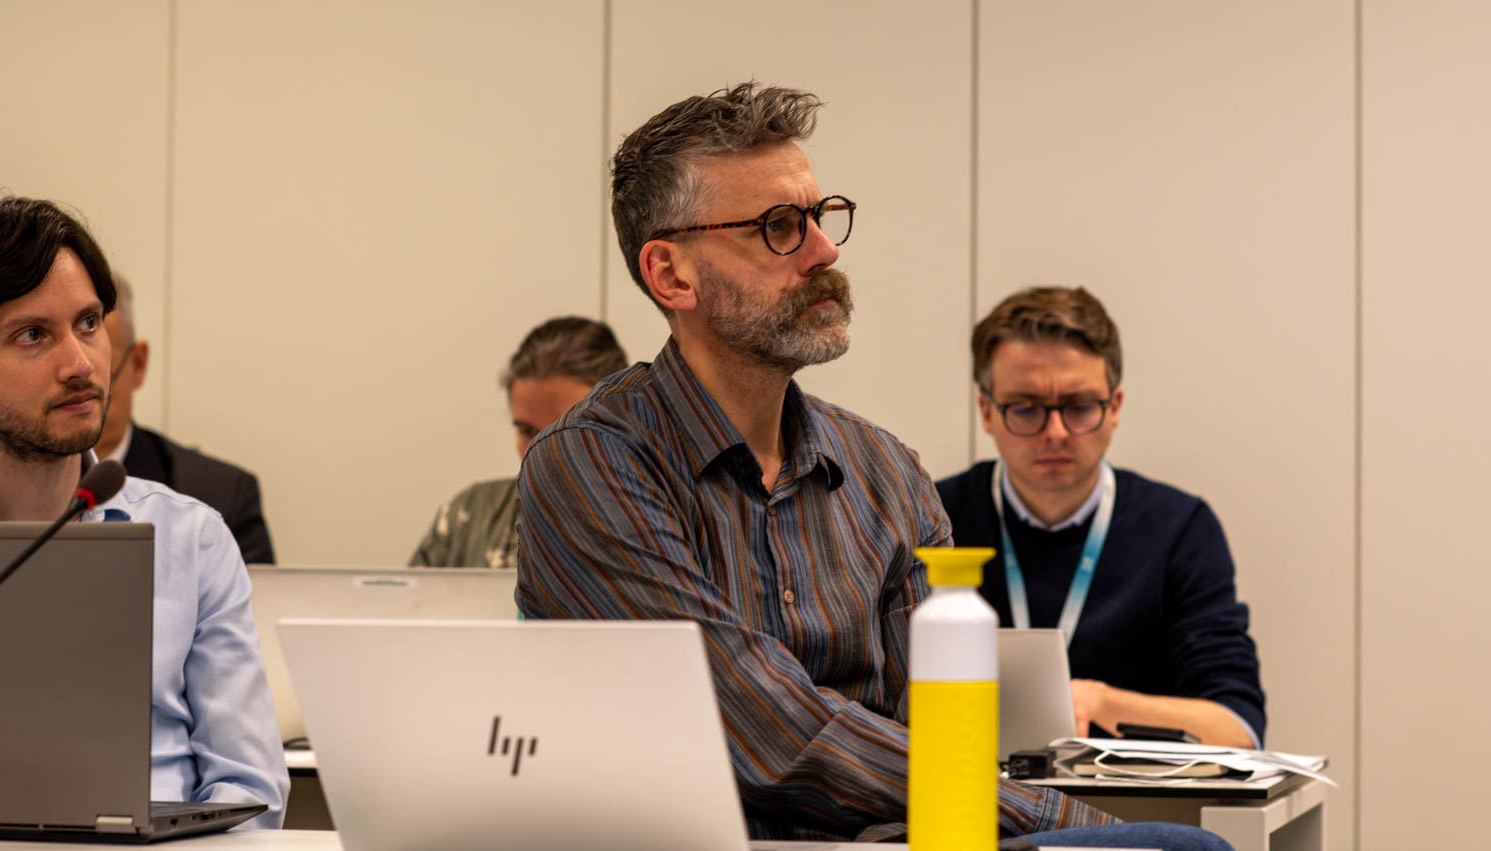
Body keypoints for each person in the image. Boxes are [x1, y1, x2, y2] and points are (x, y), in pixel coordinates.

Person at [515, 83, 1229, 850]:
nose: (824, 251)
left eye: (821, 217)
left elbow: (938, 734)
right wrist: (1066, 820)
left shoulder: (885, 471)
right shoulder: (592, 462)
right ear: (671, 274)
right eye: (779, 227)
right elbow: (760, 728)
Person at [0, 197, 288, 826]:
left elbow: (249, 792)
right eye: (33, 335)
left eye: (88, 323)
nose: (80, 363)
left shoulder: (191, 539)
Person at [936, 286, 1265, 748]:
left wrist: (1102, 703)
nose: (1055, 433)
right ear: (986, 413)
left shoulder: (1180, 529)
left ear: (1115, 409)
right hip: (967, 780)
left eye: (1079, 407)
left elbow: (1238, 729)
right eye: (1025, 408)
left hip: (1128, 794)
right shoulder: (934, 518)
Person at [408, 316, 626, 567]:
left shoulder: (655, 524)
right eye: (527, 431)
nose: (540, 452)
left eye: (564, 432)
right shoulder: (466, 518)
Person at [93, 272, 276, 563]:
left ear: (138, 364)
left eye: (98, 374)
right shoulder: (13, 489)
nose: (77, 392)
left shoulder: (221, 497)